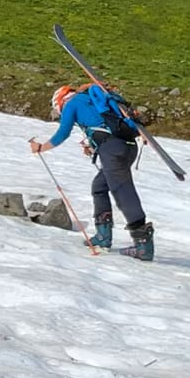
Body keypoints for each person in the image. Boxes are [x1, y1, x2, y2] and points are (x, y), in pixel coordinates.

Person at [30, 84, 154, 261]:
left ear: (59, 101)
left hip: (112, 150)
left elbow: (63, 132)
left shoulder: (71, 104)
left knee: (123, 192)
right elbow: (102, 125)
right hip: (127, 147)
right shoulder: (91, 100)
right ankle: (103, 236)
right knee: (99, 186)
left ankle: (143, 246)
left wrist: (41, 147)